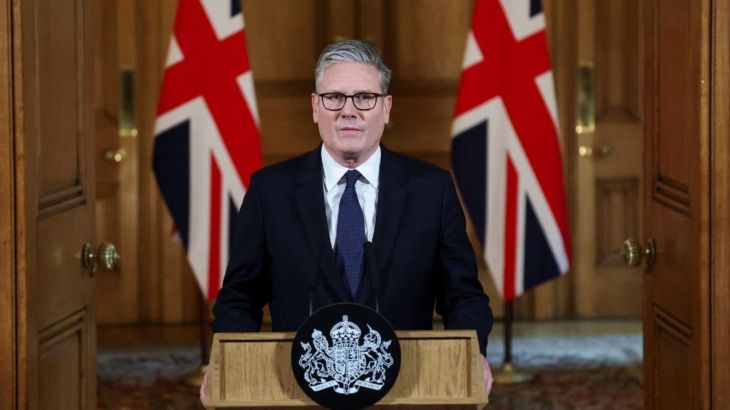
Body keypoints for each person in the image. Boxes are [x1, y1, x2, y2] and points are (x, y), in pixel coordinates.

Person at [210, 39, 493, 393]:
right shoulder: (270, 191)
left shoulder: (432, 190)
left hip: (407, 385)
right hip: (297, 387)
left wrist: (470, 354)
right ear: (315, 106)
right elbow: (239, 297)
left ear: (386, 107)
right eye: (334, 97)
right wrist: (228, 363)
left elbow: (463, 296)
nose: (348, 111)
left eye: (364, 97)